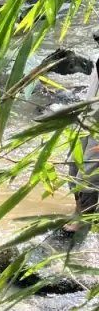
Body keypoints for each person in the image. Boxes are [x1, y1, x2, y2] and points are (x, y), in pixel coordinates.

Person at [65, 56, 99, 233]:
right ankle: (79, 211)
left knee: (89, 173)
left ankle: (84, 220)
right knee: (72, 163)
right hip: (90, 111)